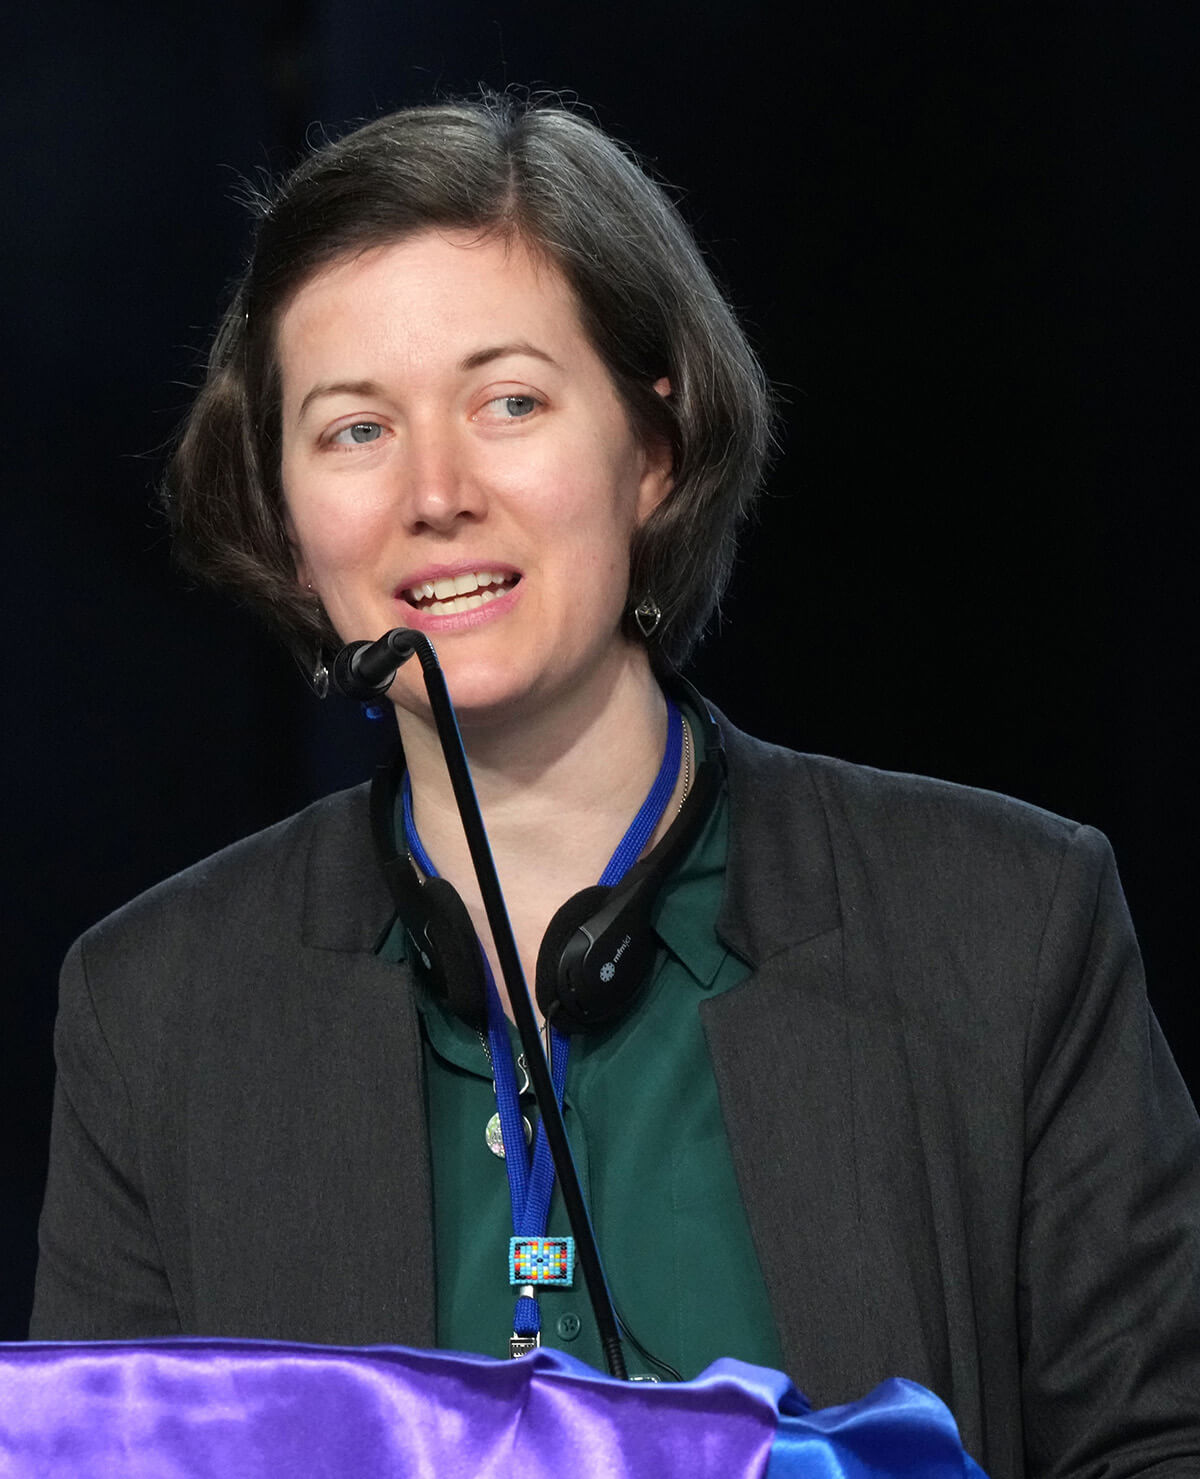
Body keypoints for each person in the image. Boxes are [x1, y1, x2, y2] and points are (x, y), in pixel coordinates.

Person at [30, 95, 1200, 1479]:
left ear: (655, 448)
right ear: (284, 521)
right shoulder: (154, 1007)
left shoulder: (1008, 926)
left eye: (508, 401)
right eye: (354, 431)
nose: (436, 492)